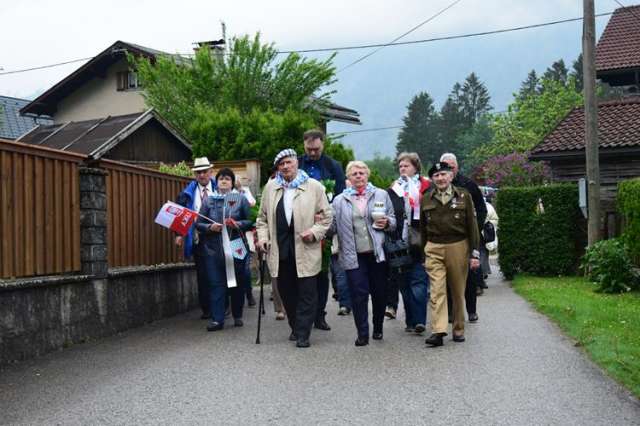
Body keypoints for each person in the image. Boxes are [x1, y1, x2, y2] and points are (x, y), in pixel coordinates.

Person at [256, 149, 333, 348]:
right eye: (281, 164)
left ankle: (303, 333)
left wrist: (314, 232)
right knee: (286, 291)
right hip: (280, 248)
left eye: (289, 162)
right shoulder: (271, 188)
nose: (285, 167)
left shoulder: (314, 187)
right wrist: (263, 238)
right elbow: (262, 219)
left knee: (307, 292)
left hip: (305, 247)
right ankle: (295, 326)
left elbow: (326, 217)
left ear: (296, 163)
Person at [331, 161, 396, 346]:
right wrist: (321, 220)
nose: (358, 176)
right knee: (358, 294)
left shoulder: (381, 194)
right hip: (353, 254)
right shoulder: (339, 200)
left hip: (377, 253)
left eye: (361, 173)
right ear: (348, 179)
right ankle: (362, 333)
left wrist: (388, 223)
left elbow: (393, 220)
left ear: (367, 175)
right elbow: (332, 228)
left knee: (379, 292)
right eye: (354, 174)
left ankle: (378, 327)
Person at [421, 162, 480, 347]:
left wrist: (474, 253)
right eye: (436, 175)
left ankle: (458, 328)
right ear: (432, 179)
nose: (440, 178)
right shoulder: (426, 198)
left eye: (443, 174)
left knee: (457, 291)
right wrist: (424, 252)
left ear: (451, 176)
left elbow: (472, 225)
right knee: (437, 290)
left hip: (458, 246)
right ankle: (438, 331)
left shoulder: (464, 196)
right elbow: (423, 228)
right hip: (434, 247)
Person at [298, 129, 346, 331]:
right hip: (299, 227)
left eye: (316, 149)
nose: (312, 153)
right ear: (304, 146)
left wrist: (327, 216)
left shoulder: (333, 166)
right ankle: (302, 316)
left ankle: (320, 315)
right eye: (309, 149)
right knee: (301, 273)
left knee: (321, 273)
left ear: (323, 145)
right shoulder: (296, 165)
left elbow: (341, 196)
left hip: (324, 227)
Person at [195, 168, 253, 331]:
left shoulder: (240, 199)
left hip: (236, 246)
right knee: (215, 283)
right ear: (217, 181)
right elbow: (198, 223)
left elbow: (250, 221)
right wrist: (210, 227)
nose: (224, 181)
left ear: (232, 182)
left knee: (237, 282)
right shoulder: (208, 200)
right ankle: (217, 319)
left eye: (227, 178)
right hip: (212, 248)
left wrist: (238, 224)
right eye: (221, 178)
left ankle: (237, 314)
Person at [440, 153, 487, 323]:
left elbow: (482, 210)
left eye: (452, 166)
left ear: (457, 167)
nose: (449, 170)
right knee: (448, 277)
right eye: (446, 166)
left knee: (470, 276)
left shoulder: (469, 185)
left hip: (468, 238)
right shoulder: (437, 186)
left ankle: (471, 310)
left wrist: (475, 230)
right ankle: (451, 312)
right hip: (446, 239)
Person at [387, 152, 431, 333]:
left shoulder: (427, 187)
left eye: (406, 165)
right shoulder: (394, 188)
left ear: (416, 167)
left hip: (420, 239)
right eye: (400, 166)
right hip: (399, 240)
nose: (403, 169)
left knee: (419, 281)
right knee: (404, 283)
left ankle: (420, 320)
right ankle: (410, 321)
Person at [175, 157, 216, 320]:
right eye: (199, 172)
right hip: (198, 238)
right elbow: (181, 216)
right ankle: (206, 308)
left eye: (205, 171)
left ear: (210, 172)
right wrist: (178, 234)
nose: (202, 175)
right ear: (195, 175)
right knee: (203, 275)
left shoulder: (220, 188)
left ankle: (221, 306)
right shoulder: (186, 194)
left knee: (219, 273)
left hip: (219, 237)